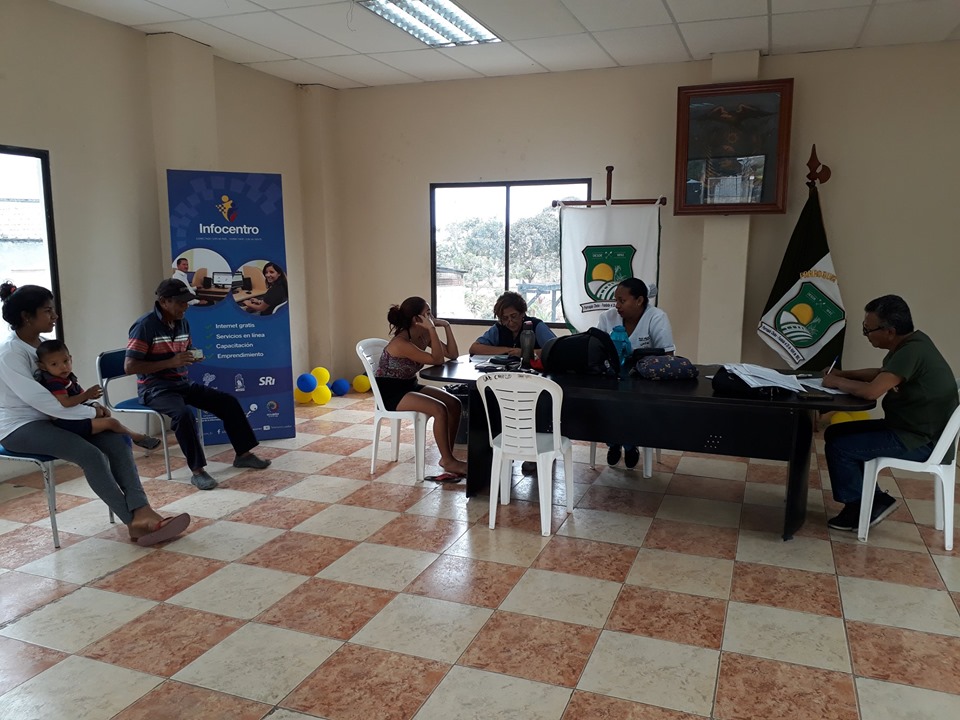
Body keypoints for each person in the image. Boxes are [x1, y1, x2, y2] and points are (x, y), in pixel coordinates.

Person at [0, 283, 189, 546]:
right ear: (26, 316)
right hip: (21, 426)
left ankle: (143, 510)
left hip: (58, 419)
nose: (55, 316)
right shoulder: (10, 353)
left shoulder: (43, 346)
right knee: (90, 455)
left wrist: (92, 408)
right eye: (47, 311)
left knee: (117, 440)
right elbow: (42, 402)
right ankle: (133, 522)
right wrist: (90, 411)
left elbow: (67, 387)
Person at [822, 294, 958, 531]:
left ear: (890, 331)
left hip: (921, 441)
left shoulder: (912, 351)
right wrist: (843, 375)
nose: (865, 335)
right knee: (836, 433)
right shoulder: (912, 343)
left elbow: (872, 392)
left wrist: (836, 383)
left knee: (840, 446)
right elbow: (882, 374)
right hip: (909, 429)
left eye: (868, 330)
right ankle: (875, 500)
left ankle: (858, 508)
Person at [125, 279, 272, 491]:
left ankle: (244, 454)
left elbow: (185, 349)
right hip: (155, 389)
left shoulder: (182, 322)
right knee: (183, 415)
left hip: (182, 383)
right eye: (181, 303)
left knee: (228, 402)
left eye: (187, 302)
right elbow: (130, 367)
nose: (185, 307)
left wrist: (192, 355)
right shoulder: (144, 326)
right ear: (164, 301)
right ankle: (198, 471)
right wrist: (171, 362)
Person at [376, 296, 467, 478]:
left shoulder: (422, 335)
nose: (431, 317)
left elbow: (452, 354)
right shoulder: (401, 343)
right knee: (439, 409)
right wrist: (432, 329)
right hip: (391, 393)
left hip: (409, 384)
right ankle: (448, 460)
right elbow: (437, 360)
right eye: (427, 314)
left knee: (454, 403)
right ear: (416, 319)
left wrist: (446, 326)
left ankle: (447, 457)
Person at [595, 278, 675, 469]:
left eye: (622, 301)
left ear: (639, 300)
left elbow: (668, 356)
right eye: (616, 300)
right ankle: (614, 443)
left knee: (629, 405)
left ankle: (629, 445)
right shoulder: (608, 317)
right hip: (613, 378)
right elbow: (596, 349)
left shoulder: (656, 317)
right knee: (603, 403)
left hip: (644, 382)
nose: (617, 305)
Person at [34, 339, 161, 450]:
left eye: (65, 361)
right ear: (43, 366)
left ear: (71, 359)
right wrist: (87, 395)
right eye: (54, 364)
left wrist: (95, 403)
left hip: (78, 416)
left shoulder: (66, 378)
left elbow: (81, 395)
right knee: (112, 423)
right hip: (68, 423)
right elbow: (66, 402)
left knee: (107, 417)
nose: (63, 367)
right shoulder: (54, 383)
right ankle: (138, 438)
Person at [468, 291, 555, 357]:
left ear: (522, 313)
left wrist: (525, 353)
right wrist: (508, 350)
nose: (510, 321)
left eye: (513, 316)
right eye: (505, 318)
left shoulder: (536, 326)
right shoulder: (499, 328)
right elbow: (474, 348)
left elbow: (557, 350)